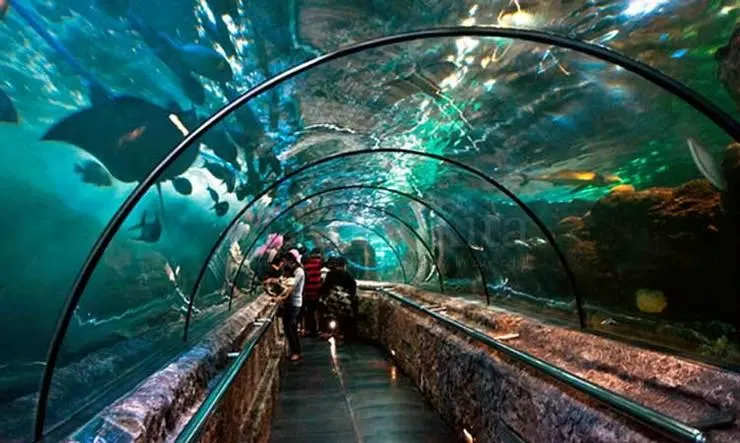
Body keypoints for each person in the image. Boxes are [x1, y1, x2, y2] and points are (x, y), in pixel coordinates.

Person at [275, 249, 304, 361]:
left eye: (285, 261)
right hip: (289, 303)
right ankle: (295, 351)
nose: (284, 263)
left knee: (290, 327)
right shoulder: (290, 271)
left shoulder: (299, 271)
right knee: (290, 328)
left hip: (295, 303)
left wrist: (281, 297)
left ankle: (296, 352)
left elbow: (290, 288)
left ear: (290, 260)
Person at [319, 257, 358, 340]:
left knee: (328, 316)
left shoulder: (330, 274)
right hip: (343, 303)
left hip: (331, 302)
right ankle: (341, 333)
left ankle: (327, 332)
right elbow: (353, 289)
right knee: (343, 317)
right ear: (345, 265)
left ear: (336, 264)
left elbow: (325, 287)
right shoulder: (348, 275)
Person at [301, 248, 323, 337]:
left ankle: (311, 330)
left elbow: (305, 280)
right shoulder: (319, 264)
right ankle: (319, 330)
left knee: (309, 312)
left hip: (308, 292)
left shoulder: (306, 266)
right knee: (318, 312)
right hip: (318, 291)